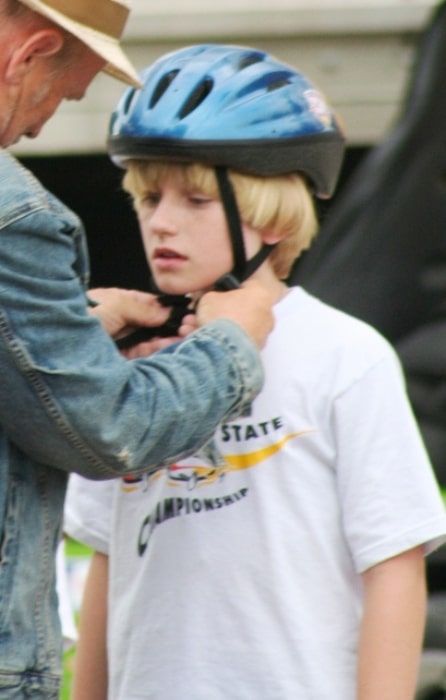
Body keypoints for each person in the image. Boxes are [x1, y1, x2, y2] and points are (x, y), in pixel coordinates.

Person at [64, 44, 446, 700]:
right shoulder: (133, 366)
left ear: (270, 216)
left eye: (194, 200)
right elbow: (107, 559)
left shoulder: (345, 356)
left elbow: (394, 564)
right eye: (150, 197)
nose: (161, 222)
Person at [0, 6, 275, 698]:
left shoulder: (345, 357)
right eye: (57, 99)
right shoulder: (14, 219)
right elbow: (110, 432)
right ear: (26, 55)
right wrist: (232, 346)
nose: (37, 127)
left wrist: (65, 332)